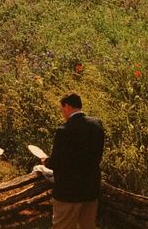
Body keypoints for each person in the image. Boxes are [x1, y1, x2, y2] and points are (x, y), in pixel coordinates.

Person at [44, 93, 104, 229]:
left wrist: (46, 161)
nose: (62, 113)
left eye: (62, 109)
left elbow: (56, 163)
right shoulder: (96, 124)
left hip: (68, 191)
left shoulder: (64, 131)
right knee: (87, 226)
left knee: (62, 226)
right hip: (90, 188)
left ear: (67, 106)